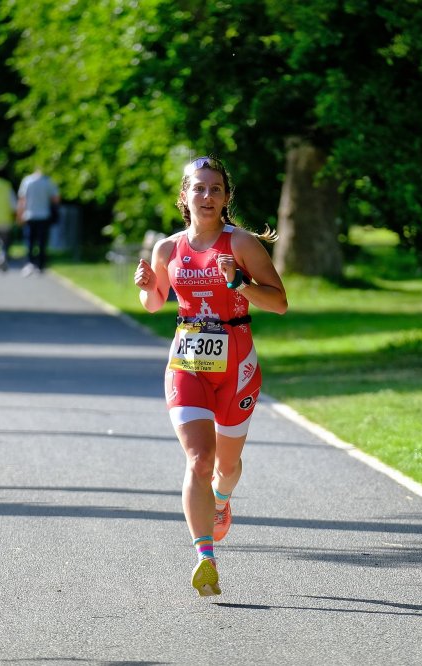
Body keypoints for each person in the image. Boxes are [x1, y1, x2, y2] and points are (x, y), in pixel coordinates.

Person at [133, 156, 287, 596]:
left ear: (225, 197)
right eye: (198, 188)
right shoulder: (168, 249)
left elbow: (279, 303)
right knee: (199, 461)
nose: (206, 196)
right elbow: (154, 303)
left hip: (237, 368)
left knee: (226, 466)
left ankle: (221, 500)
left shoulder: (241, 244)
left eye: (215, 189)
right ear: (184, 196)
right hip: (187, 364)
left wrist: (239, 283)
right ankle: (205, 557)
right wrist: (146, 285)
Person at [16, 167, 59, 276]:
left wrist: (19, 215)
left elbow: (22, 200)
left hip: (29, 215)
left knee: (29, 242)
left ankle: (29, 263)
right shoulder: (49, 181)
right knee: (42, 242)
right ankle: (40, 265)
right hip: (44, 216)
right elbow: (56, 199)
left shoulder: (27, 181)